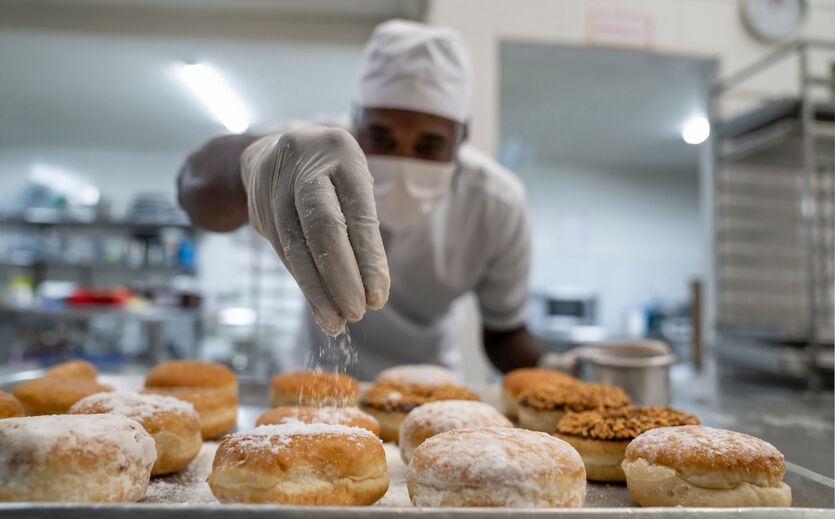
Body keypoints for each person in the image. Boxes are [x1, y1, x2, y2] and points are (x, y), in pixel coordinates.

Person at [177, 20, 546, 379]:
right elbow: (195, 189)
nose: (403, 163)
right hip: (318, 380)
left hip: (427, 387)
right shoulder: (310, 153)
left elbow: (504, 333)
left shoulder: (496, 204)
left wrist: (554, 372)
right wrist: (249, 165)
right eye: (382, 139)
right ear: (356, 120)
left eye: (429, 146)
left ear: (462, 137)